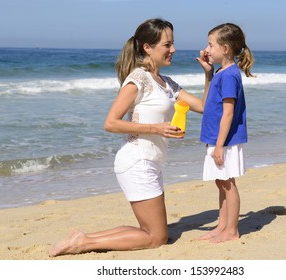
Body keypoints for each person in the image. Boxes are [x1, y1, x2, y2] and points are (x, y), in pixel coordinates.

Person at [49, 18, 210, 257]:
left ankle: (84, 238)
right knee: (156, 238)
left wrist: (209, 74)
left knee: (153, 232)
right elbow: (111, 123)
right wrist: (157, 128)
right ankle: (83, 242)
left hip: (152, 162)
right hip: (136, 162)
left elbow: (205, 107)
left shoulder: (167, 84)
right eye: (167, 45)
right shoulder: (138, 79)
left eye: (172, 44)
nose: (173, 50)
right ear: (148, 47)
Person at [198, 23, 254, 243]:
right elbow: (212, 102)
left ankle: (232, 230)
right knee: (220, 181)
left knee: (228, 184)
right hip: (218, 139)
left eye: (211, 45)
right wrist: (208, 72)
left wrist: (219, 145)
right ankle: (222, 225)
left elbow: (228, 114)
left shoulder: (230, 75)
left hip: (226, 141)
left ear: (226, 48)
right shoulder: (222, 72)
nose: (207, 49)